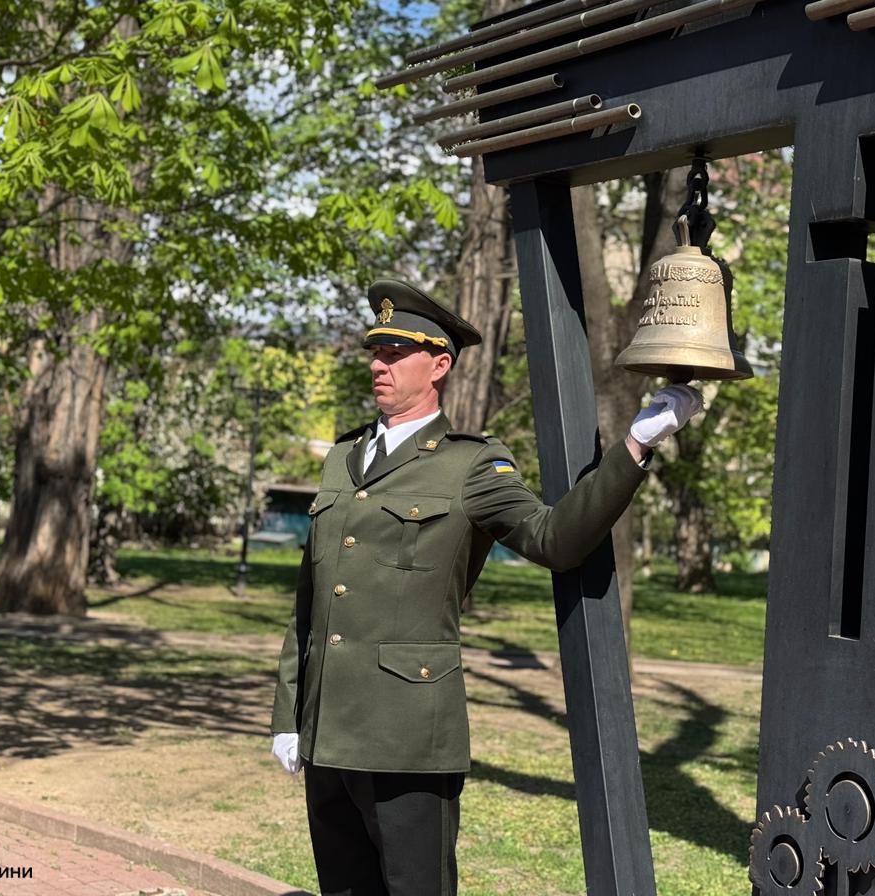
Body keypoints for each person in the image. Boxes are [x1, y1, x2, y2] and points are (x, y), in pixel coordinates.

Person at [270, 278, 702, 896]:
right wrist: (288, 713)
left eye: (396, 353)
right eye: (375, 351)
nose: (378, 365)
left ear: (439, 364)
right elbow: (308, 604)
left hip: (408, 735)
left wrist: (636, 443)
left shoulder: (470, 464)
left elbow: (553, 538)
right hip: (325, 731)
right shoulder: (343, 458)